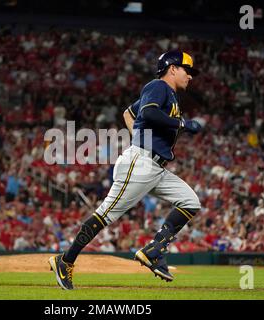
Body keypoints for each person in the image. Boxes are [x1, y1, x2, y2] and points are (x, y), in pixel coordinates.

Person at [49, 50, 202, 290]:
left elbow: (129, 114)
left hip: (156, 167)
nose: (190, 76)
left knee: (190, 201)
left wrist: (142, 135)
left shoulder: (169, 94)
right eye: (187, 70)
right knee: (107, 214)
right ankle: (65, 260)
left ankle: (154, 249)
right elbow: (148, 112)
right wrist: (180, 124)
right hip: (140, 162)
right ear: (172, 68)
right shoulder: (158, 86)